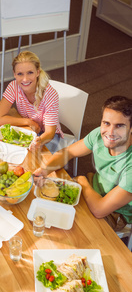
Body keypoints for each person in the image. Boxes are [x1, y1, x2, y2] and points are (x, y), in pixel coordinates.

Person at [34, 96, 132, 231]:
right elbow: (68, 152)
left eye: (119, 126)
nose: (110, 132)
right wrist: (45, 169)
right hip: (95, 189)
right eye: (106, 123)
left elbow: (99, 210)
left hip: (116, 212)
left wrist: (82, 181)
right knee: (46, 210)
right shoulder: (99, 134)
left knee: (67, 229)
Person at [0, 51, 64, 153]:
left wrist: (37, 141)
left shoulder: (50, 94)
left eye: (30, 72)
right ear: (14, 74)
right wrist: (28, 122)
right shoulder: (13, 86)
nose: (25, 79)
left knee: (36, 163)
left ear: (38, 72)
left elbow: (50, 133)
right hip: (29, 128)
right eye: (20, 74)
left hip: (47, 136)